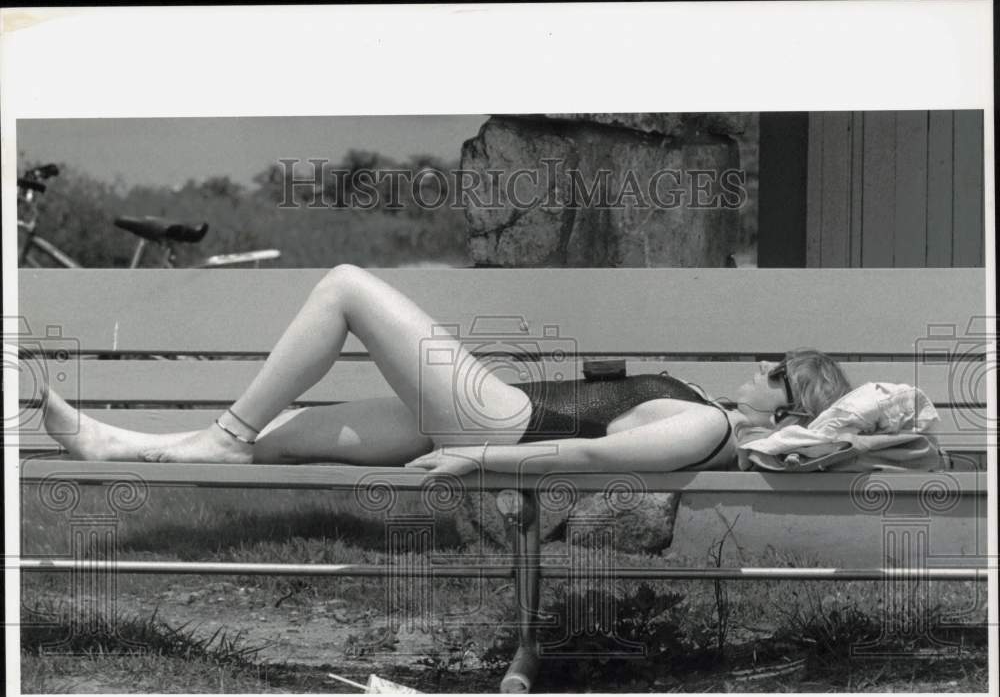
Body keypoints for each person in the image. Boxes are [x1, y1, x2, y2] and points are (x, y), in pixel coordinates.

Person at [41, 264, 852, 476]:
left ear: (785, 407)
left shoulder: (709, 424)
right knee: (283, 438)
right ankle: (113, 443)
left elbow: (591, 454)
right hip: (490, 414)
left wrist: (478, 454)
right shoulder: (708, 410)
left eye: (775, 370)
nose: (758, 366)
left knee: (347, 287)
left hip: (497, 421)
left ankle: (222, 435)